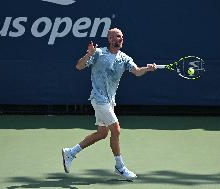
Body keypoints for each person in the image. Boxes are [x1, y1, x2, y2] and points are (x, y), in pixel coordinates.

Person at [62, 28, 156, 180]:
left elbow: (137, 71)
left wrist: (148, 69)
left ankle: (70, 152)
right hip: (99, 99)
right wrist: (89, 53)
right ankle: (119, 167)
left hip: (110, 101)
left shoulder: (125, 58)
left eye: (118, 36)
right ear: (108, 40)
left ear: (122, 39)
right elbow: (79, 66)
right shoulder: (98, 53)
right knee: (116, 130)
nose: (115, 39)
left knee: (102, 133)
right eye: (112, 37)